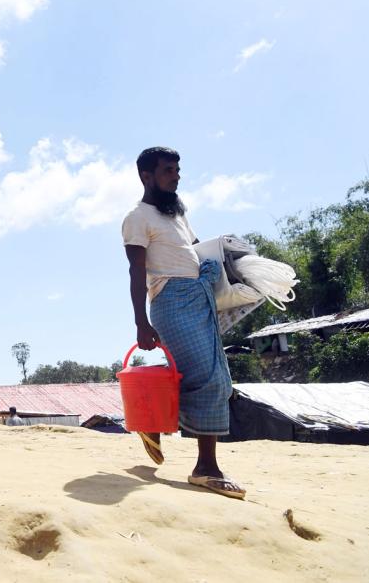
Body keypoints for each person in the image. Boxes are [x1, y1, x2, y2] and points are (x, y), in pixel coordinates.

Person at [122, 146, 245, 500]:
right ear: (147, 177)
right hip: (171, 302)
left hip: (197, 298)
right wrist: (140, 323)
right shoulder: (137, 217)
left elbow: (194, 249)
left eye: (177, 169)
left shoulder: (177, 213)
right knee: (209, 377)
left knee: (205, 374)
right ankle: (205, 469)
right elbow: (136, 270)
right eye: (167, 171)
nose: (175, 176)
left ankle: (149, 421)